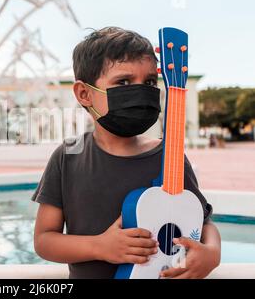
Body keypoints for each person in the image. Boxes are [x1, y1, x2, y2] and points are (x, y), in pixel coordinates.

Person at [31, 27, 221, 279]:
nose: (141, 92)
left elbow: (203, 224)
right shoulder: (68, 156)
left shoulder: (170, 156)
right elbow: (44, 240)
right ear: (84, 94)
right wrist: (100, 246)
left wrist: (212, 254)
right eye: (123, 82)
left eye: (150, 82)